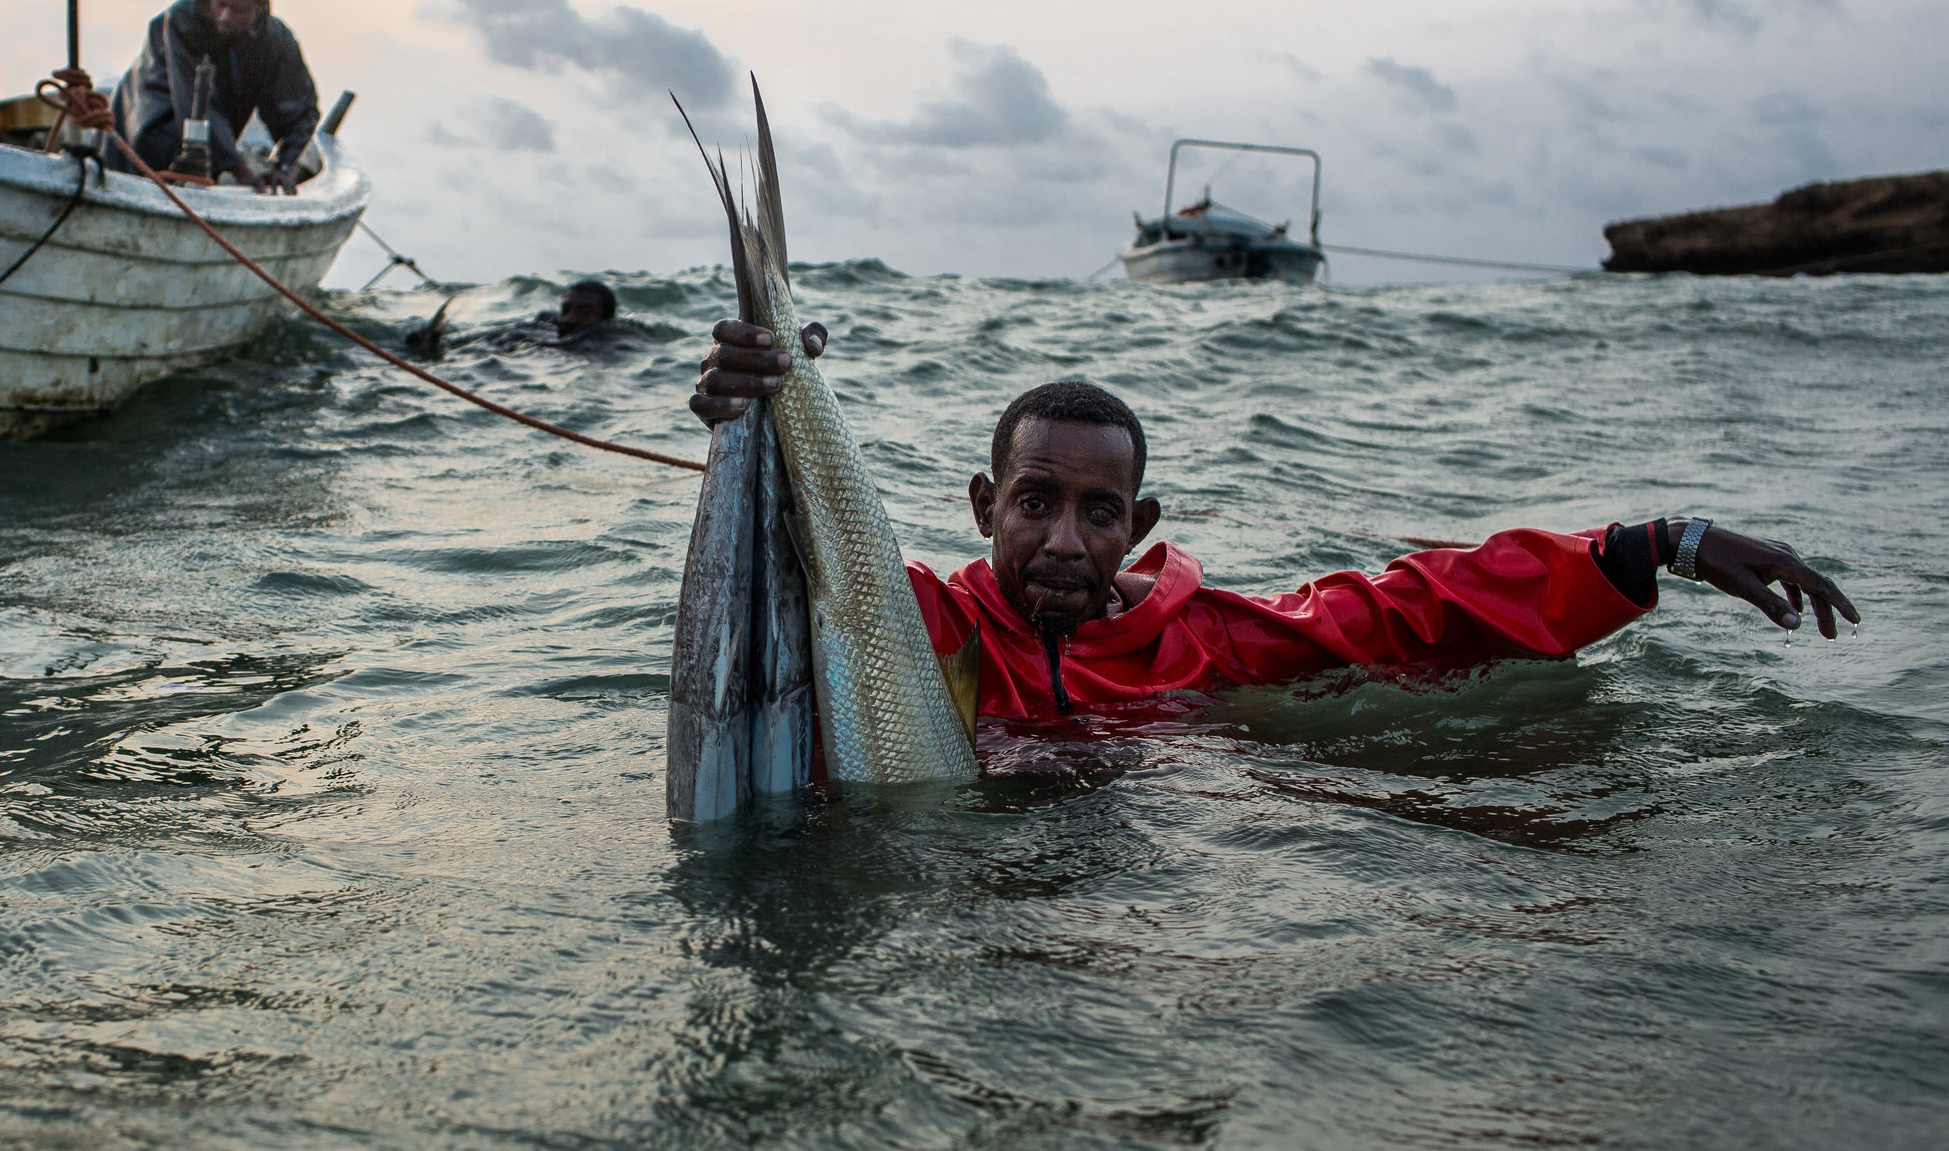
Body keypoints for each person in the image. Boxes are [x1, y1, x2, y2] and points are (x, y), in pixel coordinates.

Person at [690, 323, 1858, 720]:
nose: (1060, 540)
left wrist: (1668, 541)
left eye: (1097, 513)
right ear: (984, 505)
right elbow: (794, 563)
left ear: (1136, 524)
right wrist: (748, 413)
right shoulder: (919, 626)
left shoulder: (1210, 642)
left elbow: (1415, 604)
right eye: (1034, 502)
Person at [108, 0, 317, 193]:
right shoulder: (181, 20)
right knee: (153, 151)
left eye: (236, 10)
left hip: (212, 147)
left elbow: (300, 110)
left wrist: (283, 166)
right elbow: (192, 100)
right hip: (145, 127)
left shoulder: (276, 41)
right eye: (220, 4)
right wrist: (240, 170)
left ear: (259, 7)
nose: (225, 16)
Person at [403, 280, 622, 356]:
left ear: (606, 318)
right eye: (566, 310)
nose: (570, 319)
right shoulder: (547, 322)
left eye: (584, 313)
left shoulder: (612, 339)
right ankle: (439, 343)